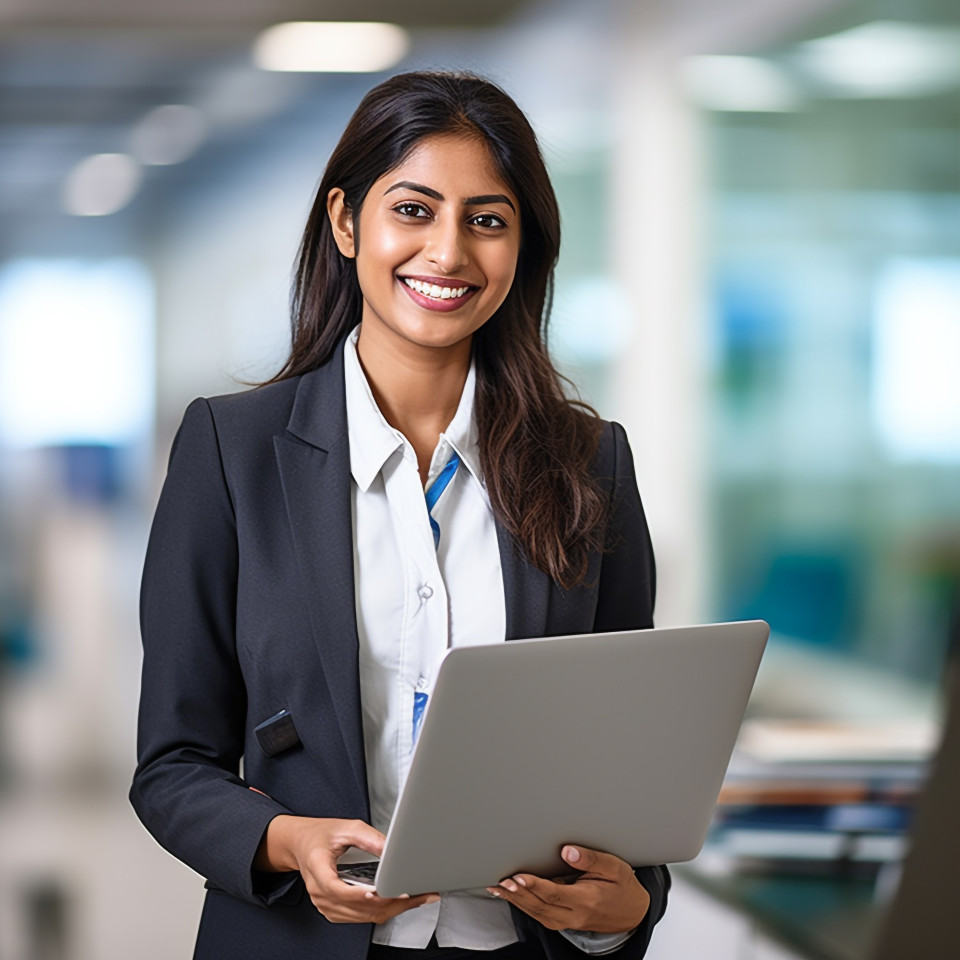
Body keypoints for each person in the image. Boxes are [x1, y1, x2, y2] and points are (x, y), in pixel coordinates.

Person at [130, 70, 669, 960]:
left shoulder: (590, 462)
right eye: (413, 210)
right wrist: (286, 842)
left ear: (523, 247)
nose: (448, 252)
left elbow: (627, 767)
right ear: (347, 222)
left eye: (487, 220)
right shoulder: (230, 450)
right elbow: (172, 766)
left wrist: (626, 910)